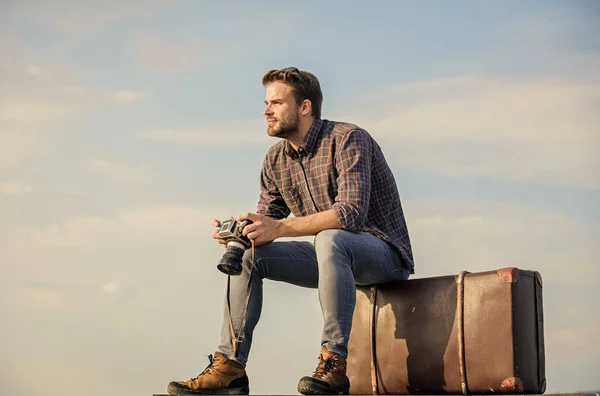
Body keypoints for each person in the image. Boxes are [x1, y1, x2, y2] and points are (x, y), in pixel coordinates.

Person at [167, 67, 414, 395]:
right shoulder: (274, 160)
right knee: (250, 253)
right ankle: (230, 368)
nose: (266, 110)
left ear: (305, 107)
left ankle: (333, 362)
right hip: (332, 256)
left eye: (277, 103)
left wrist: (280, 227)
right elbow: (267, 220)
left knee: (331, 236)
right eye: (266, 103)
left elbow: (351, 214)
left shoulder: (349, 139)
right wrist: (240, 234)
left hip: (383, 256)